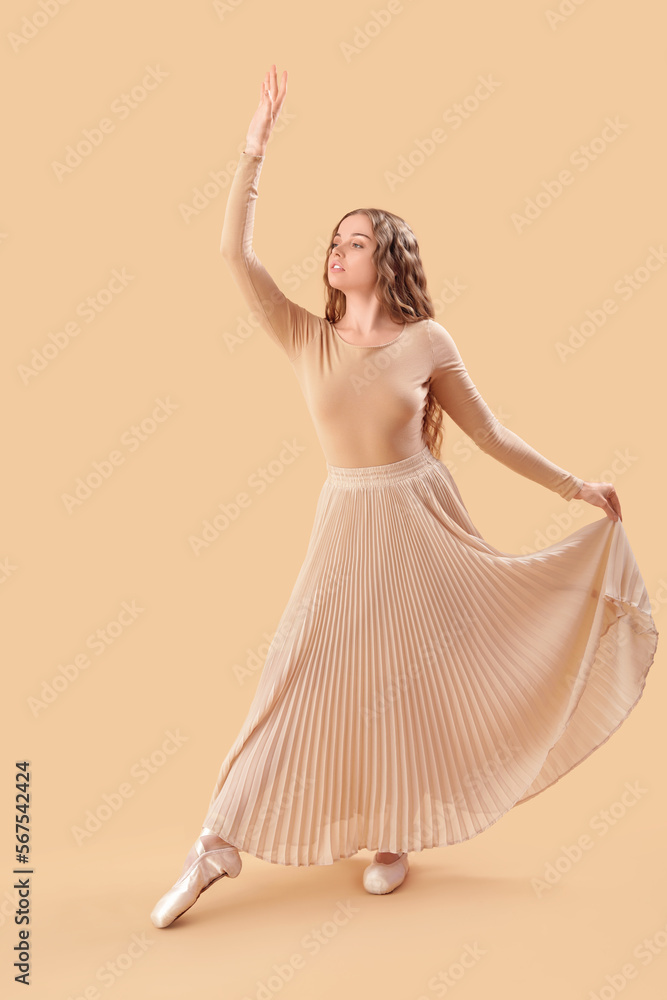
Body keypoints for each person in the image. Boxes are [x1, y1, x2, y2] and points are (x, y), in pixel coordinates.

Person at [150, 64, 658, 928]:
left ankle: (394, 833)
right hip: (347, 518)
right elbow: (233, 254)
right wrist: (252, 152)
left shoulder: (427, 340)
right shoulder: (302, 333)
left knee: (413, 675)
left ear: (385, 257)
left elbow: (489, 433)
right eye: (332, 241)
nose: (334, 250)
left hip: (422, 516)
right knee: (292, 671)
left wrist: (577, 485)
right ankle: (216, 841)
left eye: (351, 240)